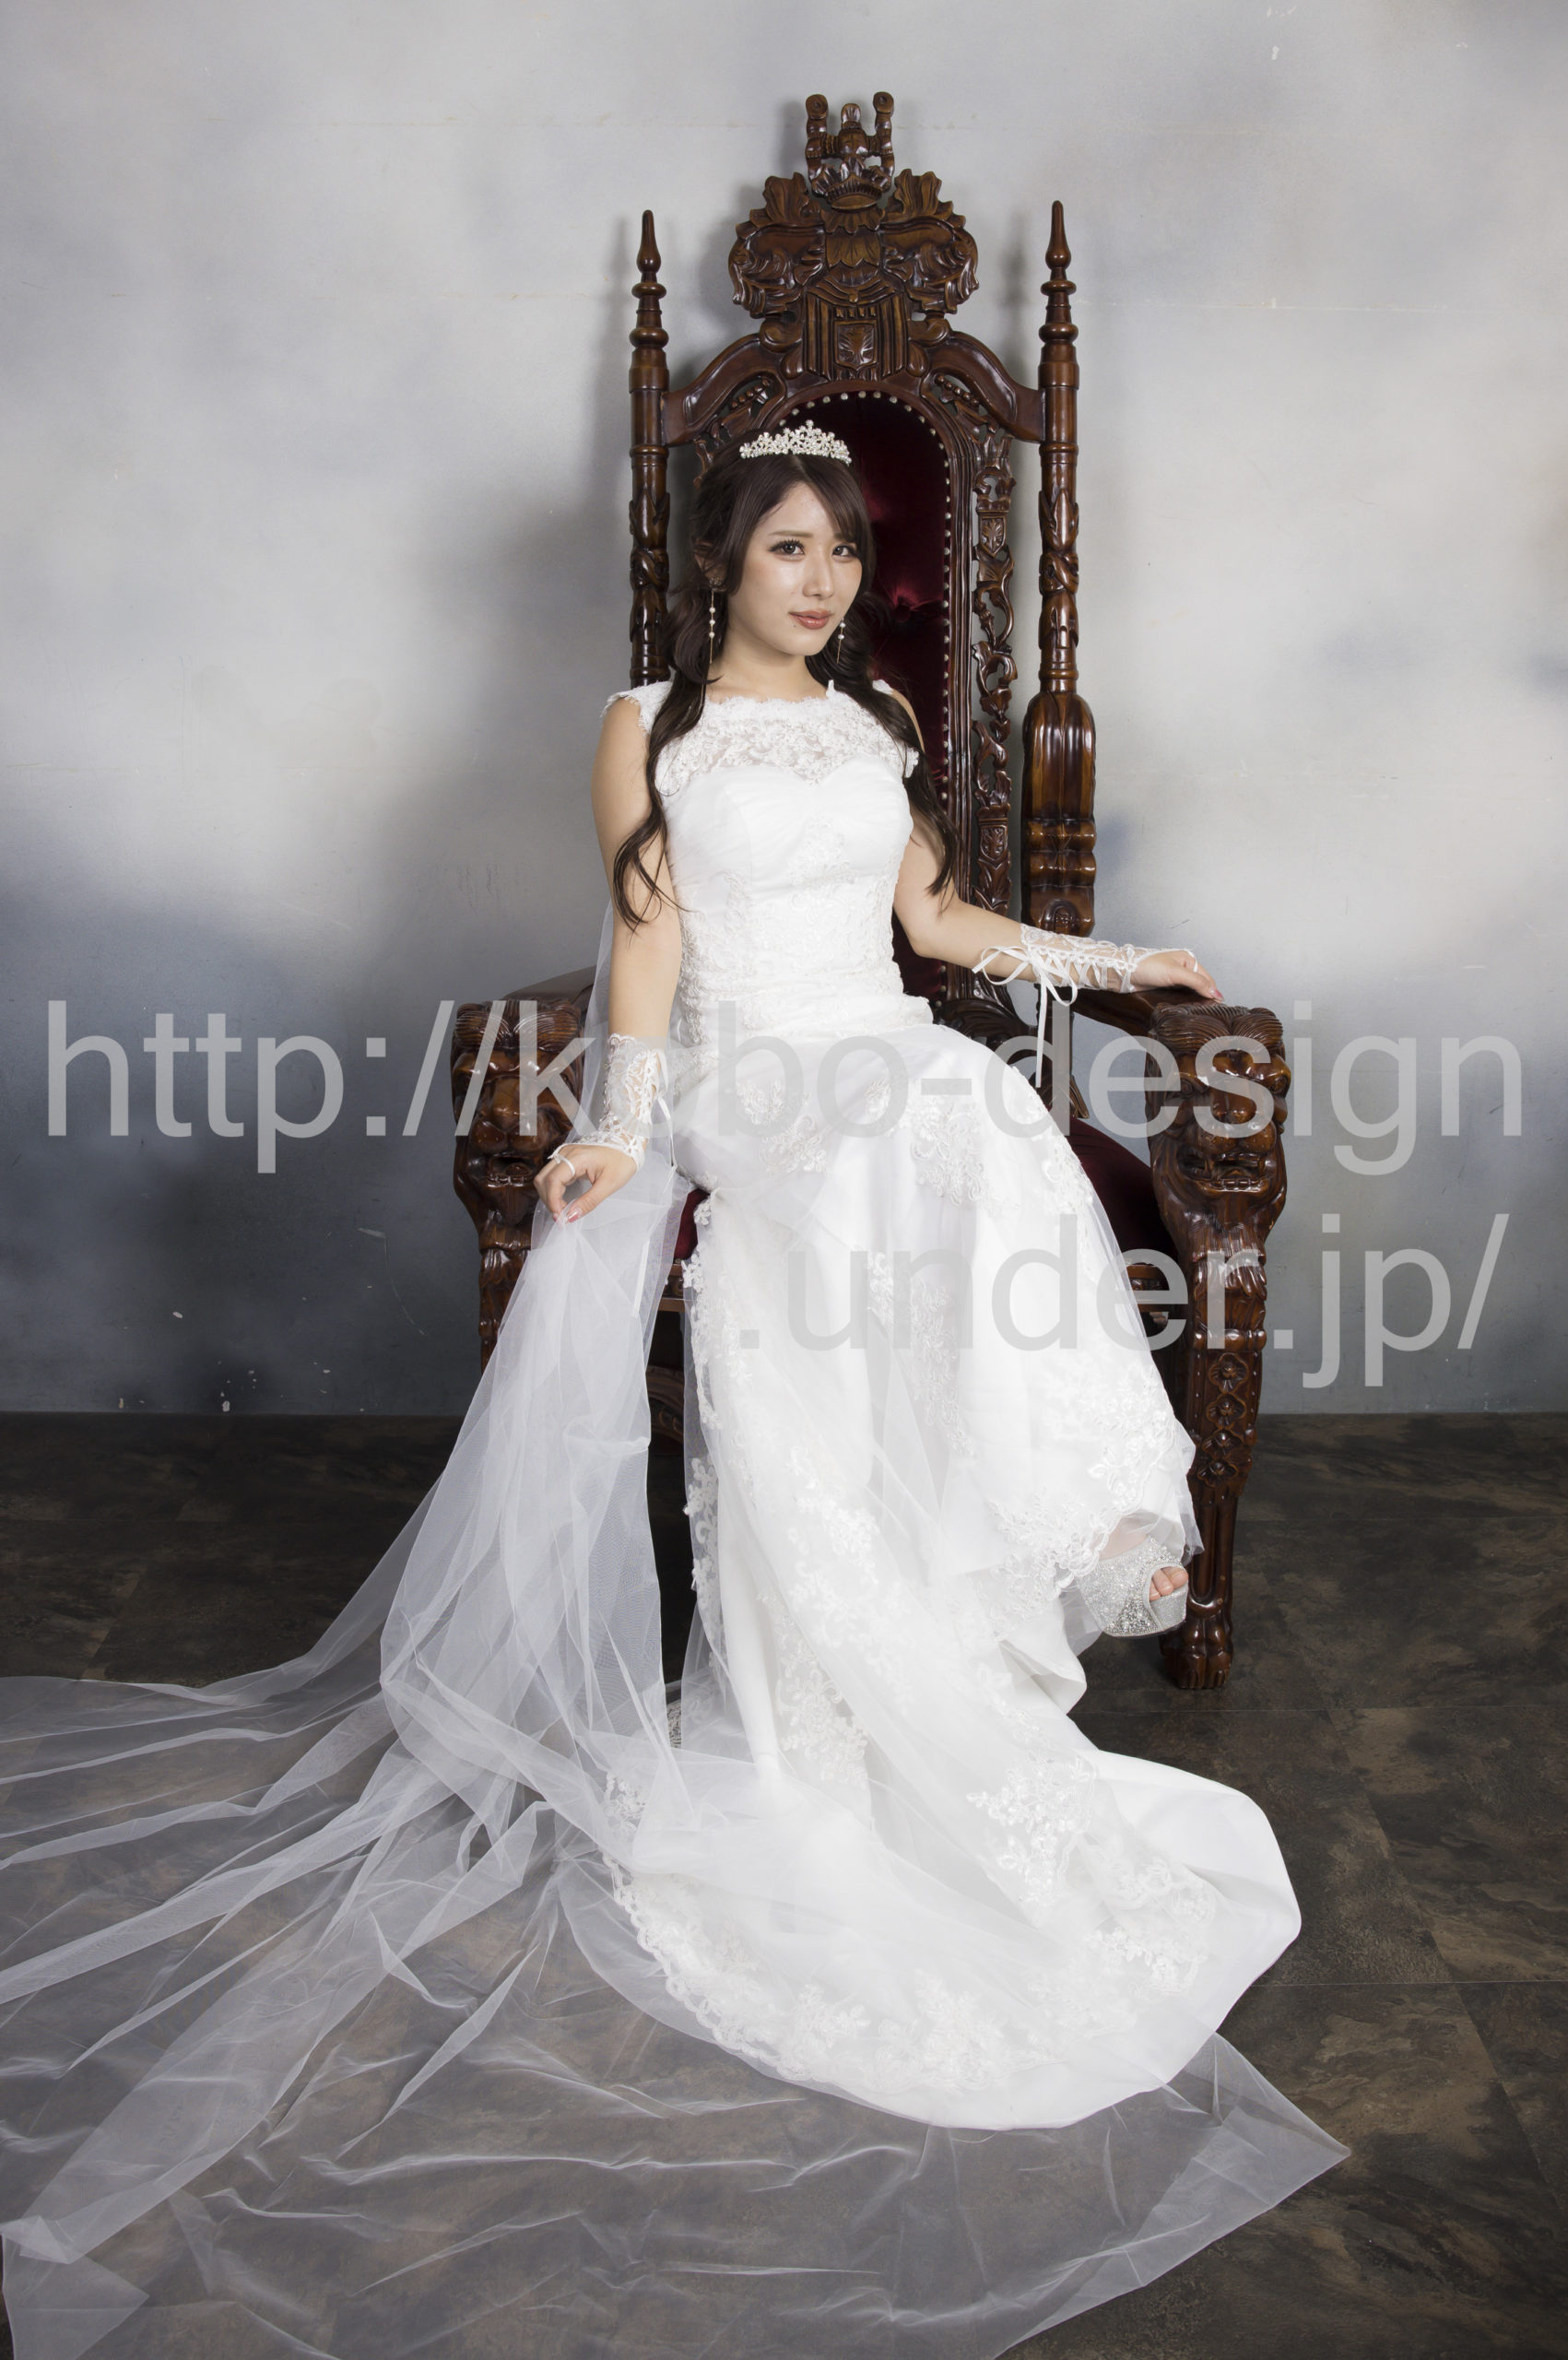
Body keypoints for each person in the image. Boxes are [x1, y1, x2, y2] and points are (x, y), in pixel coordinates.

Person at [0, 427, 1342, 2358]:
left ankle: (965, 1577)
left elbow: (935, 932)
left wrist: (1117, 952)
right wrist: (623, 1129)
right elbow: (646, 936)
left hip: (881, 1052)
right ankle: (829, 1672)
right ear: (723, 560)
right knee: (880, 1151)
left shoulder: (878, 718)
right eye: (789, 550)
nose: (824, 581)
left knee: (963, 1113)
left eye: (843, 555)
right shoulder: (645, 727)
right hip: (751, 1078)